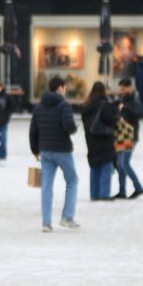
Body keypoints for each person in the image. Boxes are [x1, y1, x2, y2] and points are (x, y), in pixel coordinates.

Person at [30, 76, 80, 232]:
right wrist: (75, 127)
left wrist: (35, 150)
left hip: (45, 150)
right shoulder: (64, 105)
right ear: (60, 88)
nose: (66, 91)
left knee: (46, 186)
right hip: (62, 150)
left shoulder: (39, 107)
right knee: (72, 180)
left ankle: (46, 223)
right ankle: (67, 217)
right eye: (65, 88)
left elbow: (33, 130)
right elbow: (69, 127)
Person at [81, 81, 119, 202]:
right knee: (106, 165)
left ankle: (94, 195)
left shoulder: (87, 105)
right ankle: (104, 194)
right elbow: (112, 120)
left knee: (95, 166)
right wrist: (116, 110)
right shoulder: (104, 104)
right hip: (104, 139)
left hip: (91, 140)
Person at [114, 79, 143, 198]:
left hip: (130, 135)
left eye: (123, 89)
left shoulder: (134, 100)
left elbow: (139, 115)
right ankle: (122, 191)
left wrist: (124, 109)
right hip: (121, 135)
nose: (121, 91)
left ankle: (138, 187)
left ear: (130, 88)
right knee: (120, 164)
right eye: (120, 89)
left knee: (124, 163)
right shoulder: (123, 99)